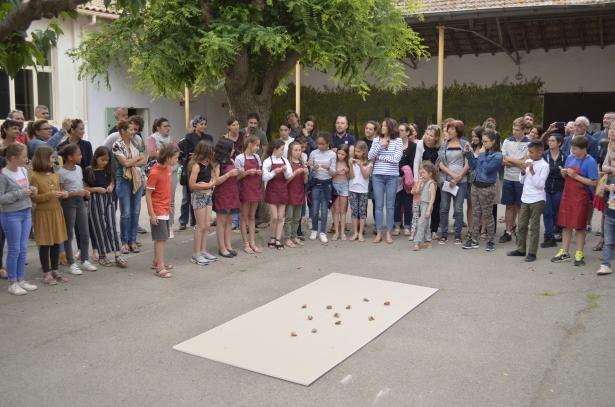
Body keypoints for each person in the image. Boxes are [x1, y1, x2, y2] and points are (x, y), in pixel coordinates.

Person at [551, 137, 598, 266]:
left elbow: (594, 182)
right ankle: (564, 252)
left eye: (575, 149)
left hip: (581, 197)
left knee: (579, 227)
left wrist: (576, 176)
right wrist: (564, 173)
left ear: (583, 149)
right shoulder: (571, 158)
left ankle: (579, 253)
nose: (573, 151)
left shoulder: (590, 162)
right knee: (566, 225)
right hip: (567, 195)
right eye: (572, 148)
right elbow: (565, 175)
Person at [0, 144, 37, 295]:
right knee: (14, 249)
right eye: (23, 157)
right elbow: (1, 198)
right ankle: (12, 282)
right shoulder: (3, 175)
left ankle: (21, 279)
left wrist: (32, 190)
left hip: (26, 212)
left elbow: (26, 189)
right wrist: (21, 193)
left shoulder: (22, 170)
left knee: (23, 249)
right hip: (11, 215)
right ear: (13, 158)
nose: (26, 159)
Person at [30, 146, 69, 285]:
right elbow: (35, 199)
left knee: (56, 243)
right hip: (43, 214)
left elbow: (59, 193)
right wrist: (49, 195)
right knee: (45, 244)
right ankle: (46, 272)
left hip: (56, 212)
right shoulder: (34, 177)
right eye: (52, 158)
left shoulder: (56, 175)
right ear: (42, 159)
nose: (54, 161)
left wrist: (64, 194)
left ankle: (55, 270)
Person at [507, 141, 549, 262]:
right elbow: (521, 181)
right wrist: (523, 171)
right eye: (528, 152)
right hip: (525, 198)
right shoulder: (528, 162)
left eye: (531, 152)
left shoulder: (544, 166)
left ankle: (532, 252)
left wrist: (531, 170)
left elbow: (540, 185)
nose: (529, 155)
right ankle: (521, 249)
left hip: (537, 199)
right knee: (521, 225)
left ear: (540, 152)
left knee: (534, 227)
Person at [84, 147, 126, 268]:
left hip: (109, 199)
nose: (104, 162)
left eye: (107, 160)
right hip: (96, 200)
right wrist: (96, 189)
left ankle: (117, 254)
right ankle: (102, 255)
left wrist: (111, 186)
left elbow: (112, 181)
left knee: (112, 225)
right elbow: (84, 187)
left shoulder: (108, 169)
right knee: (99, 226)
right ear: (96, 157)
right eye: (102, 160)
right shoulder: (89, 170)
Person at [59, 144, 97, 274]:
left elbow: (80, 185)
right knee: (69, 234)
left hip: (80, 202)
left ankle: (85, 260)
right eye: (78, 154)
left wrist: (85, 192)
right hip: (68, 203)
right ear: (70, 157)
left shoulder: (79, 168)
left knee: (85, 232)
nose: (81, 156)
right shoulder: (61, 172)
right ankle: (71, 263)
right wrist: (76, 193)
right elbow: (61, 193)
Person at [463, 129, 503, 252]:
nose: (483, 144)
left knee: (487, 214)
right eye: (483, 141)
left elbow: (487, 169)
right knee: (476, 213)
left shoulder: (498, 155)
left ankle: (490, 240)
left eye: (486, 142)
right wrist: (469, 153)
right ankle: (474, 239)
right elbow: (474, 165)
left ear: (493, 141)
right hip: (475, 185)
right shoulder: (483, 152)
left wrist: (481, 155)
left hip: (487, 188)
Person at [145, 144, 180, 278]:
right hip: (157, 210)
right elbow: (148, 195)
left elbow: (166, 188)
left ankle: (157, 261)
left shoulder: (169, 168)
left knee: (161, 238)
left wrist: (169, 204)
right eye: (175, 158)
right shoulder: (154, 173)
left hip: (165, 208)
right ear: (168, 157)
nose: (177, 160)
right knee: (161, 239)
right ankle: (160, 267)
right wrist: (152, 214)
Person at [112, 120, 146, 255]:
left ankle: (133, 241)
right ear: (123, 131)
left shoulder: (136, 143)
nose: (133, 132)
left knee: (135, 212)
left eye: (134, 130)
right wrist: (136, 158)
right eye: (131, 130)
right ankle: (124, 242)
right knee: (125, 213)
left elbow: (144, 161)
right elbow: (124, 163)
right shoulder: (116, 145)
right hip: (123, 180)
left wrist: (132, 161)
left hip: (137, 179)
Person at [369, 118, 403, 244]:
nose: (382, 127)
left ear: (390, 127)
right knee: (378, 206)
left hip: (392, 177)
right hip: (377, 176)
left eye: (384, 126)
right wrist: (380, 146)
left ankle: (389, 233)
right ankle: (379, 233)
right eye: (381, 125)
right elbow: (370, 156)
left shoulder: (398, 141)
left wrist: (380, 157)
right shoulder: (376, 140)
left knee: (390, 206)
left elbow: (396, 159)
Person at [178, 115, 214, 230]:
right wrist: (199, 156)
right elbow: (188, 154)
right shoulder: (189, 137)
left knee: (202, 194)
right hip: (192, 167)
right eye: (201, 124)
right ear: (195, 125)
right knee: (187, 196)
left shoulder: (208, 137)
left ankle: (195, 222)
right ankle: (183, 220)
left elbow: (210, 152)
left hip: (205, 168)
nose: (203, 126)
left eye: (205, 124)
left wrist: (200, 155)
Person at [437, 120, 470, 245]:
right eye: (448, 129)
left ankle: (458, 235)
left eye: (451, 129)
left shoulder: (465, 144)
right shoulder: (444, 144)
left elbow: (468, 163)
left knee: (458, 209)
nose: (448, 131)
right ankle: (444, 234)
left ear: (458, 131)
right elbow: (440, 163)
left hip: (461, 181)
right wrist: (452, 176)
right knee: (444, 208)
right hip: (446, 180)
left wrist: (458, 177)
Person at [500, 117, 530, 243]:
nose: (514, 132)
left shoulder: (529, 143)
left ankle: (519, 232)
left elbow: (526, 162)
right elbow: (503, 160)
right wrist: (518, 161)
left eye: (517, 130)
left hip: (521, 179)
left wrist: (511, 160)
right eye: (513, 129)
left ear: (524, 130)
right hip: (508, 178)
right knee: (509, 206)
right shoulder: (507, 141)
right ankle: (507, 231)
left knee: (520, 206)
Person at [147, 118, 179, 237]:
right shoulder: (152, 138)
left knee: (171, 197)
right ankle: (160, 221)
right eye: (165, 126)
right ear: (158, 128)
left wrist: (161, 151)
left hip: (172, 170)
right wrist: (165, 152)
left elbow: (176, 150)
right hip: (160, 170)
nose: (168, 128)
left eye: (169, 126)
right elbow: (152, 153)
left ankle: (169, 224)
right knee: (159, 195)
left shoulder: (172, 139)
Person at [187, 141, 218, 265]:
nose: (213, 152)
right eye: (211, 150)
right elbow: (192, 185)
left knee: (206, 225)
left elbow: (214, 178)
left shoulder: (209, 164)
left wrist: (209, 184)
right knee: (200, 226)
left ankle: (203, 250)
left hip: (208, 195)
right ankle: (196, 254)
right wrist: (205, 186)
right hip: (199, 196)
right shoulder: (196, 165)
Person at [413, 125, 442, 240]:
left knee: (435, 203)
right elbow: (416, 161)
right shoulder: (420, 144)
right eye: (428, 134)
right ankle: (421, 230)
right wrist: (417, 180)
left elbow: (440, 163)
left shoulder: (440, 147)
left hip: (434, 179)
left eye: (432, 135)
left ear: (436, 138)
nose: (429, 137)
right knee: (422, 204)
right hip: (422, 177)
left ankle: (434, 230)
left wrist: (435, 180)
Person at [263, 139, 293, 249]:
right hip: (271, 190)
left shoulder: (285, 160)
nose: (282, 152)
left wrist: (285, 171)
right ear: (275, 149)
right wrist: (274, 172)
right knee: (274, 217)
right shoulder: (268, 161)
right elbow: (264, 177)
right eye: (281, 150)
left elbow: (289, 176)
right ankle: (272, 236)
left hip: (283, 190)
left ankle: (277, 239)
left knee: (280, 217)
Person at [235, 135, 263, 254]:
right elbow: (237, 177)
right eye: (256, 145)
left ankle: (252, 242)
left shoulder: (257, 157)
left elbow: (261, 172)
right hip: (245, 189)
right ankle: (245, 243)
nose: (258, 148)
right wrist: (247, 172)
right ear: (250, 145)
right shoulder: (240, 158)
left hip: (255, 188)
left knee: (252, 217)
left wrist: (259, 172)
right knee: (244, 217)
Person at [213, 139, 241, 258]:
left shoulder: (232, 160)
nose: (234, 150)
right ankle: (222, 247)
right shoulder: (217, 163)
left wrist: (239, 172)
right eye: (232, 148)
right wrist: (229, 174)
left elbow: (237, 176)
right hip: (222, 194)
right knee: (221, 221)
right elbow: (215, 181)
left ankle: (228, 245)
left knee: (230, 221)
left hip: (233, 193)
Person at [309, 133, 336, 243]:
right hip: (316, 184)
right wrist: (313, 168)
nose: (320, 146)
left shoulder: (332, 154)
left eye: (322, 144)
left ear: (328, 144)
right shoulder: (313, 153)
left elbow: (334, 172)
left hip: (327, 184)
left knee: (325, 210)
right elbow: (310, 169)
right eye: (318, 144)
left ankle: (323, 232)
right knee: (314, 210)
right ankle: (314, 230)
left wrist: (329, 168)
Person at [541, 134, 565, 248]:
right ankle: (549, 236)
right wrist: (557, 171)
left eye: (552, 140)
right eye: (549, 140)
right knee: (547, 212)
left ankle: (556, 231)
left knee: (556, 212)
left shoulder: (565, 156)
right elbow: (542, 170)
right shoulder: (544, 155)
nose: (549, 142)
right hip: (545, 188)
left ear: (559, 143)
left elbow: (565, 173)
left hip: (559, 188)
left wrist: (553, 171)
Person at [393, 123, 416, 236]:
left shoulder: (412, 146)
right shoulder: (394, 144)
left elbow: (412, 163)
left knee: (407, 203)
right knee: (396, 202)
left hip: (407, 179)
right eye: (399, 130)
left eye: (402, 130)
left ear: (407, 132)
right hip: (395, 177)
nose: (400, 132)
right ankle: (397, 225)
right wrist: (397, 176)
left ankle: (407, 226)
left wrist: (403, 177)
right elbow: (393, 161)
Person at [284, 141, 308, 247]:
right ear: (290, 151)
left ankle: (294, 236)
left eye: (300, 150)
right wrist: (295, 173)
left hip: (300, 193)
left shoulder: (302, 163)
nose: (298, 152)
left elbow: (305, 182)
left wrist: (306, 174)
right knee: (289, 217)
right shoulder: (287, 163)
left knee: (297, 217)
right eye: (296, 150)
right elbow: (285, 181)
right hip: (290, 193)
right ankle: (287, 238)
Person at [348, 141, 372, 242]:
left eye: (358, 151)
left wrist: (361, 165)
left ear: (363, 151)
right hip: (353, 189)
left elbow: (366, 175)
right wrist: (350, 166)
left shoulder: (369, 163)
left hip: (363, 190)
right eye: (355, 151)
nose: (356, 153)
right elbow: (351, 176)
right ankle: (355, 233)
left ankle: (361, 233)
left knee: (362, 212)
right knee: (354, 212)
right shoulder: (352, 161)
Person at [413, 161, 438, 251]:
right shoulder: (424, 182)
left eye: (423, 173)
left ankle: (417, 242)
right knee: (426, 224)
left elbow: (432, 198)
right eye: (420, 173)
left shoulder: (431, 183)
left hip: (427, 205)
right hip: (422, 205)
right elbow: (416, 192)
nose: (421, 175)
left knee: (421, 223)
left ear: (430, 174)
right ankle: (428, 241)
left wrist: (428, 209)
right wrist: (419, 183)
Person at [598, 160, 615, 275]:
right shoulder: (613, 177)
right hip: (610, 212)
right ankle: (605, 264)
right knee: (608, 241)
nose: (612, 168)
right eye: (612, 165)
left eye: (614, 165)